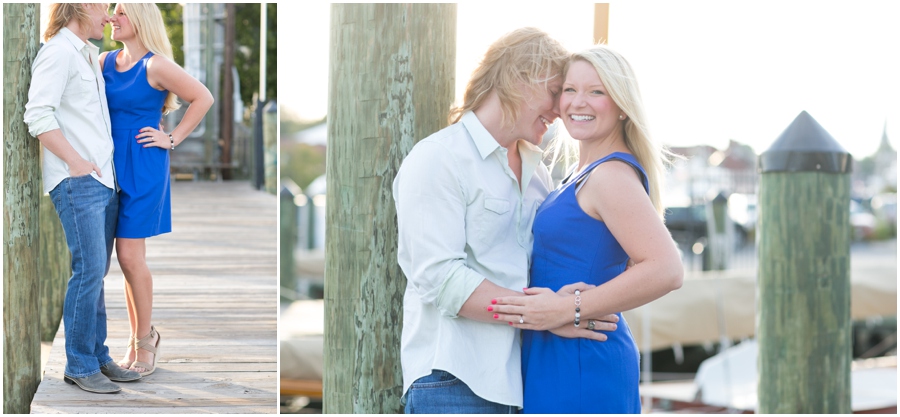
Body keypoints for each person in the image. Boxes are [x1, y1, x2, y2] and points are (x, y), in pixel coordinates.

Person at [392, 28, 619, 414]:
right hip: (452, 379)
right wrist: (543, 315)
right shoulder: (438, 158)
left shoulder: (538, 175)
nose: (560, 109)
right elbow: (440, 277)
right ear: (518, 78)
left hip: (523, 380)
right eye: (555, 91)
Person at [489, 45, 684, 413]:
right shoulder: (580, 175)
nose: (579, 102)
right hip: (554, 351)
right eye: (570, 89)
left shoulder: (610, 175)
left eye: (597, 91)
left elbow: (666, 269)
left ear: (622, 105)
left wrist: (569, 309)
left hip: (582, 359)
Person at [24, 3, 143, 394]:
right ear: (80, 8)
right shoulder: (57, 53)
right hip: (78, 180)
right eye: (103, 8)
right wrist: (76, 163)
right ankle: (78, 364)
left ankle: (97, 355)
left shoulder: (87, 53)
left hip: (102, 179)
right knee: (88, 270)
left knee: (96, 273)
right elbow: (38, 115)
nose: (109, 17)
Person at [100, 3, 213, 377]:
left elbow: (203, 97)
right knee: (121, 258)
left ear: (140, 20)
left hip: (144, 167)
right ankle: (137, 339)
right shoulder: (103, 62)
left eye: (120, 12)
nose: (112, 18)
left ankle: (144, 342)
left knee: (130, 256)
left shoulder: (155, 65)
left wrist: (173, 138)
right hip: (107, 168)